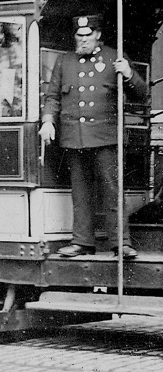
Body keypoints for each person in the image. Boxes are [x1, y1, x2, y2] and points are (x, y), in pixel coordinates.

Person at [39, 15, 147, 258]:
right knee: (80, 192)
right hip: (75, 137)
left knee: (111, 190)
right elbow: (53, 96)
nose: (84, 40)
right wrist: (48, 121)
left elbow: (143, 94)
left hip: (106, 136)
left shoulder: (114, 57)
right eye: (80, 36)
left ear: (98, 35)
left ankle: (121, 243)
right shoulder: (65, 61)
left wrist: (128, 73)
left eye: (88, 35)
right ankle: (82, 242)